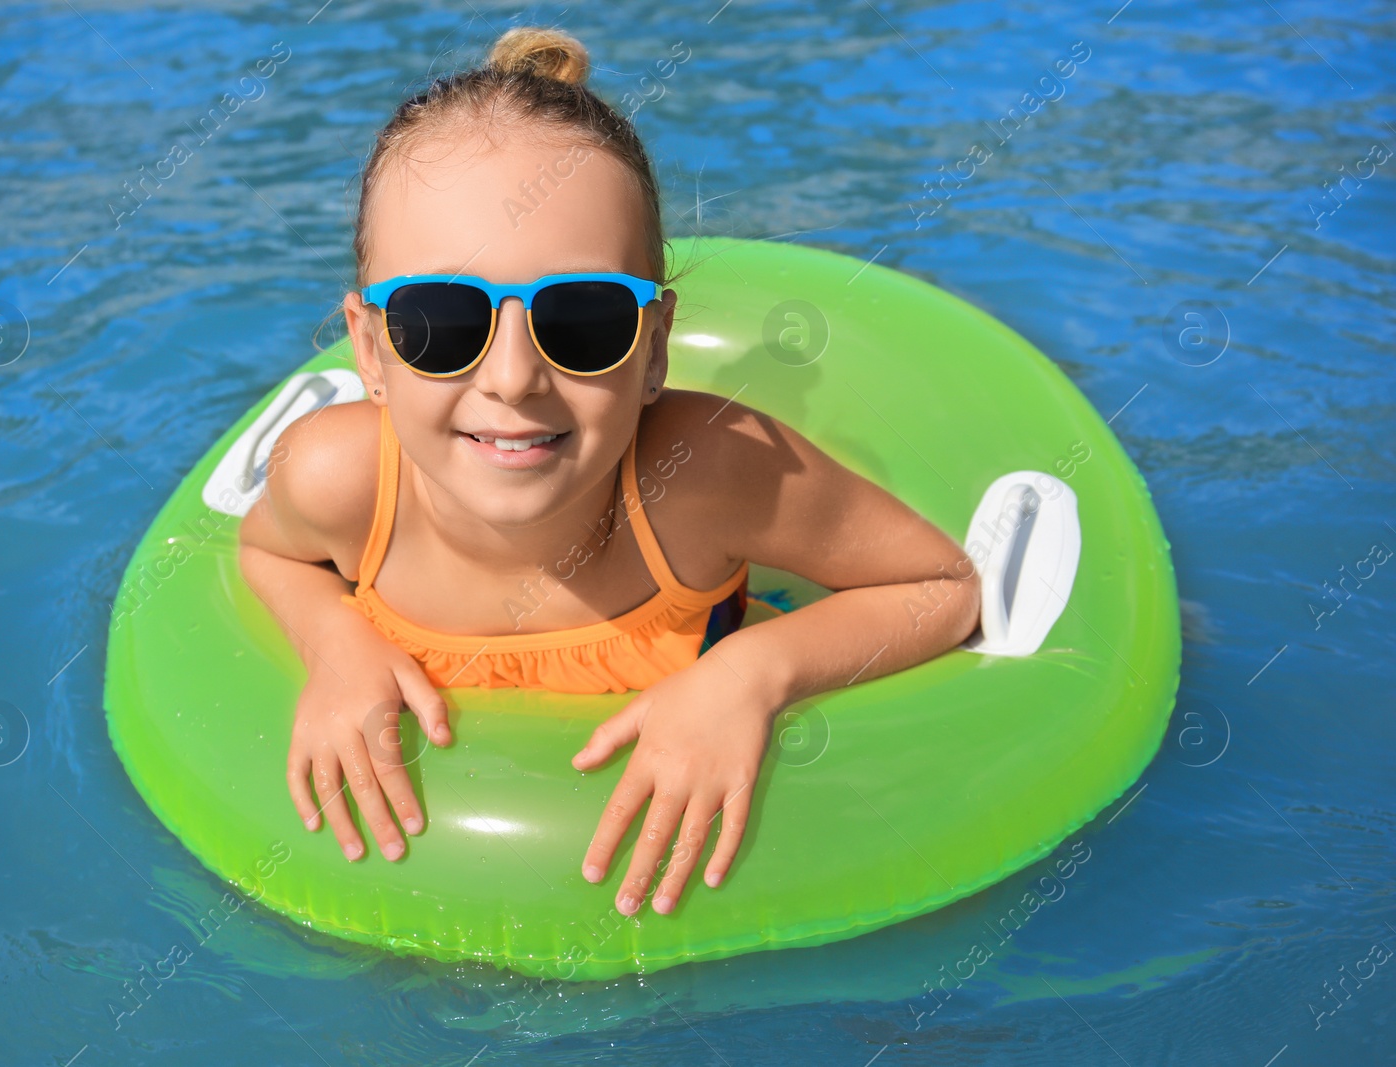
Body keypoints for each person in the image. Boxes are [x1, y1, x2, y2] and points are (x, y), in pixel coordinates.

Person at [237, 26, 980, 919]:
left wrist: (753, 673)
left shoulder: (706, 478)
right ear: (371, 348)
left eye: (583, 320)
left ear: (656, 345)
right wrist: (335, 641)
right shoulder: (338, 479)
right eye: (443, 321)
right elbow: (270, 556)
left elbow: (941, 584)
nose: (512, 377)